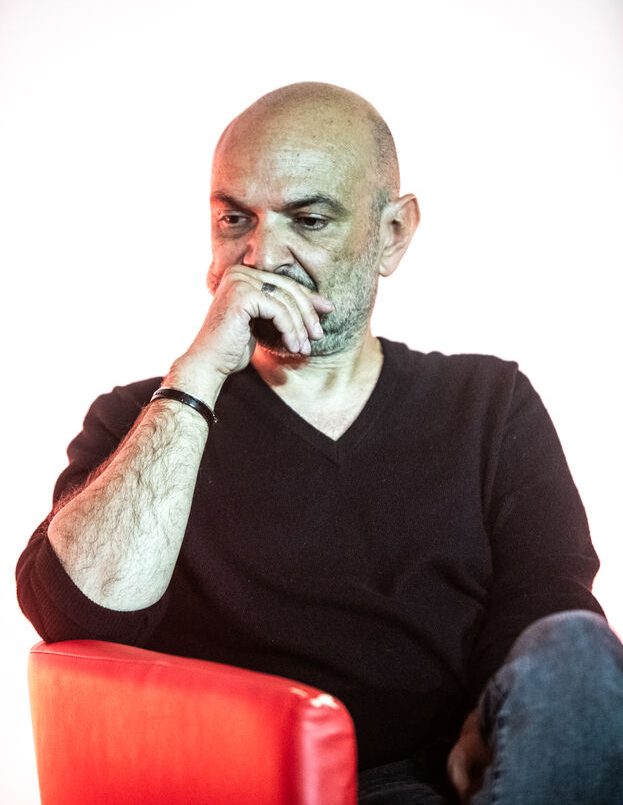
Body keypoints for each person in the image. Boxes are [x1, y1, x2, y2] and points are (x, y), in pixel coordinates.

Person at [17, 82, 623, 803]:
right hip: (258, 787)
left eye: (307, 220)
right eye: (234, 219)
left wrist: (500, 725)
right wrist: (198, 376)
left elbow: (548, 594)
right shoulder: (140, 418)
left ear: (392, 234)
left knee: (576, 651)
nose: (261, 256)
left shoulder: (488, 402)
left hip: (471, 781)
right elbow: (77, 619)